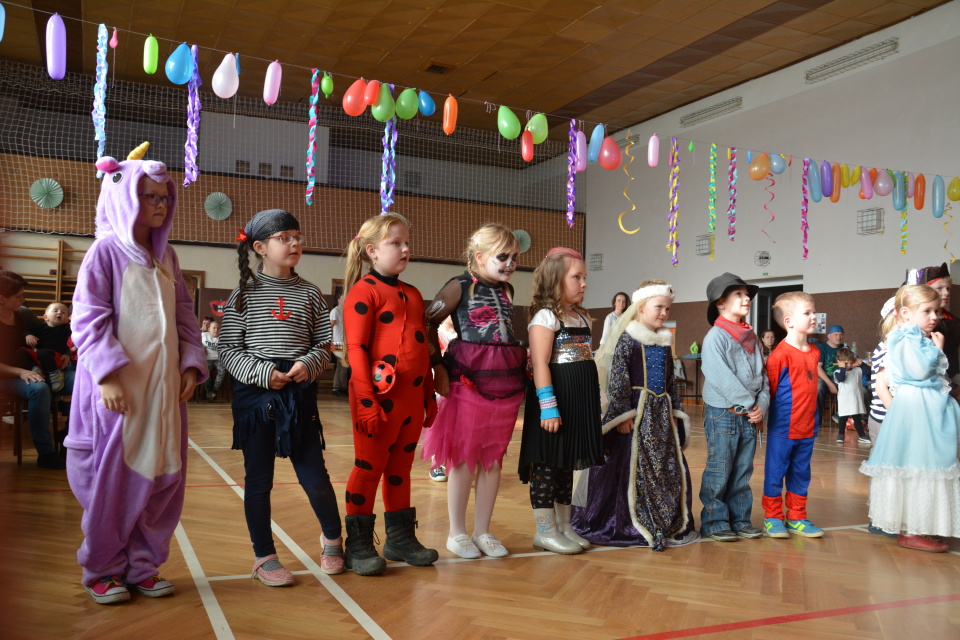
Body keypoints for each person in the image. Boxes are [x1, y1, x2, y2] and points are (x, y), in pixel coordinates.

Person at [64, 145, 207, 604]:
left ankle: (143, 565)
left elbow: (184, 316)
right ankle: (103, 569)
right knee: (115, 485)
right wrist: (107, 376)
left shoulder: (168, 258)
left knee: (163, 478)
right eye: (149, 196)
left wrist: (191, 363)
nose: (160, 205)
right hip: (121, 395)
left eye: (165, 197)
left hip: (163, 394)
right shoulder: (104, 253)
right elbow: (88, 318)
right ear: (125, 197)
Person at [219, 209, 342, 586]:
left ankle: (333, 539)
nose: (294, 243)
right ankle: (264, 556)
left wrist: (308, 363)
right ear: (260, 247)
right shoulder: (243, 294)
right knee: (258, 480)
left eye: (297, 236)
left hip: (298, 394)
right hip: (256, 398)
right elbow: (228, 349)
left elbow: (325, 343)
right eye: (284, 237)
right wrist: (262, 374)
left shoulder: (311, 293)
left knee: (315, 477)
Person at [341, 213, 439, 576]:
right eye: (395, 243)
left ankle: (400, 539)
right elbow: (355, 349)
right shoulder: (363, 291)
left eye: (406, 242)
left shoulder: (413, 294)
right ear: (371, 251)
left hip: (410, 402)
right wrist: (366, 401)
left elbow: (422, 348)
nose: (405, 249)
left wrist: (429, 395)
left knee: (400, 471)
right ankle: (358, 545)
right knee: (369, 469)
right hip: (378, 402)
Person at [421, 224, 526, 559]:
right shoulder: (460, 286)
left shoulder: (508, 289)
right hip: (468, 378)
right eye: (502, 257)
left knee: (492, 459)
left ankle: (483, 530)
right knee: (464, 456)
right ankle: (457, 532)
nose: (510, 263)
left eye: (514, 257)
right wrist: (438, 367)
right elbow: (427, 322)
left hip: (504, 381)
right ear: (480, 257)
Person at [572, 280, 697, 551]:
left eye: (667, 308)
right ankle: (628, 519)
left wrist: (675, 411)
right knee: (631, 466)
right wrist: (623, 414)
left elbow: (670, 382)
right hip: (636, 413)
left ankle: (663, 520)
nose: (664, 313)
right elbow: (618, 379)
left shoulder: (664, 342)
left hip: (661, 416)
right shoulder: (628, 339)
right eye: (659, 307)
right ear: (641, 307)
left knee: (664, 466)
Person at [860, 284, 960, 552]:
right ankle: (912, 530)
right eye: (927, 311)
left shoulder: (918, 338)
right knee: (918, 465)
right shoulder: (904, 337)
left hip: (928, 409)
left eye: (936, 311)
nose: (934, 317)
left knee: (927, 465)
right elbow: (919, 371)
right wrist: (937, 349)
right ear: (905, 313)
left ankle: (921, 524)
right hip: (918, 409)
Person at [517, 248, 603, 555]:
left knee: (567, 464)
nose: (583, 283)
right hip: (556, 402)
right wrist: (548, 406)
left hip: (578, 402)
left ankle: (565, 526)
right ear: (555, 280)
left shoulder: (582, 317)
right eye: (576, 277)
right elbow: (540, 364)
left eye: (584, 277)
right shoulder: (545, 317)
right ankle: (545, 531)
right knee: (548, 466)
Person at [698, 273, 768, 542]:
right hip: (723, 414)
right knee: (720, 468)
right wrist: (750, 404)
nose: (746, 298)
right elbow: (719, 375)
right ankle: (714, 521)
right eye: (738, 294)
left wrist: (761, 406)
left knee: (743, 470)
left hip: (749, 415)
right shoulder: (716, 336)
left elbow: (763, 378)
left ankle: (740, 519)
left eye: (746, 294)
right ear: (720, 303)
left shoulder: (753, 338)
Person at [762, 291, 824, 539]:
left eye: (813, 312)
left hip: (808, 427)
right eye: (807, 313)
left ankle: (797, 516)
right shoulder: (779, 355)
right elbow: (770, 391)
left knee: (801, 474)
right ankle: (773, 517)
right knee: (775, 473)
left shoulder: (815, 351)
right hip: (783, 428)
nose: (814, 317)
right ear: (788, 321)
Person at [0, 272, 63, 469]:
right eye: (18, 296)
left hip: (32, 370)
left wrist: (65, 351)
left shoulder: (23, 314)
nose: (23, 300)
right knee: (39, 389)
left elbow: (48, 333)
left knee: (80, 379)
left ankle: (68, 440)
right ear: (1, 299)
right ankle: (46, 454)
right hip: (7, 376)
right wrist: (20, 372)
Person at [908, 263, 960, 392]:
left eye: (948, 289)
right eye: (939, 288)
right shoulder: (917, 324)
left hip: (952, 379)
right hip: (926, 383)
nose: (946, 293)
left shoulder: (954, 321)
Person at [18, 301, 73, 392]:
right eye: (55, 311)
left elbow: (77, 329)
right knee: (21, 351)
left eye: (63, 312)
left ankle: (55, 373)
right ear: (46, 317)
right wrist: (28, 335)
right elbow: (25, 330)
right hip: (39, 356)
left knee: (43, 352)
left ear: (67, 320)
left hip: (56, 358)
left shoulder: (66, 328)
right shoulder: (40, 327)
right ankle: (35, 369)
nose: (59, 313)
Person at [832, 347, 870, 445]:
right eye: (846, 363)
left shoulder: (857, 370)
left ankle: (862, 435)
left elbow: (868, 371)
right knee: (843, 418)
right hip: (844, 400)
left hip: (855, 399)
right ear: (839, 362)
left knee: (857, 418)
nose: (848, 365)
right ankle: (841, 434)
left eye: (850, 363)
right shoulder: (837, 372)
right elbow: (841, 379)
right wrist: (842, 367)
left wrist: (861, 363)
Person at [817, 324, 844, 421]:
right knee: (818, 387)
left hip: (841, 378)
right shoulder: (821, 347)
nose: (838, 337)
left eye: (841, 334)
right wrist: (830, 383)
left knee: (858, 388)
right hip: (825, 378)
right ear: (828, 336)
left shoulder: (844, 348)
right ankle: (817, 419)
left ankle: (841, 415)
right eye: (836, 334)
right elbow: (818, 367)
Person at [329, 295, 350, 397]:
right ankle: (339, 388)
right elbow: (330, 326)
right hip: (336, 343)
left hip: (343, 343)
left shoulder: (345, 312)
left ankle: (339, 387)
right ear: (338, 300)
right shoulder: (335, 311)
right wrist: (329, 340)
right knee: (344, 364)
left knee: (342, 366)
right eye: (343, 299)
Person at [202, 319, 226, 402]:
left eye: (218, 328)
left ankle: (214, 391)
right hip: (207, 358)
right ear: (209, 329)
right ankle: (208, 392)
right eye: (214, 328)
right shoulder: (203, 335)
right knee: (205, 371)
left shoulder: (223, 337)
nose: (216, 330)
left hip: (218, 359)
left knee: (223, 370)